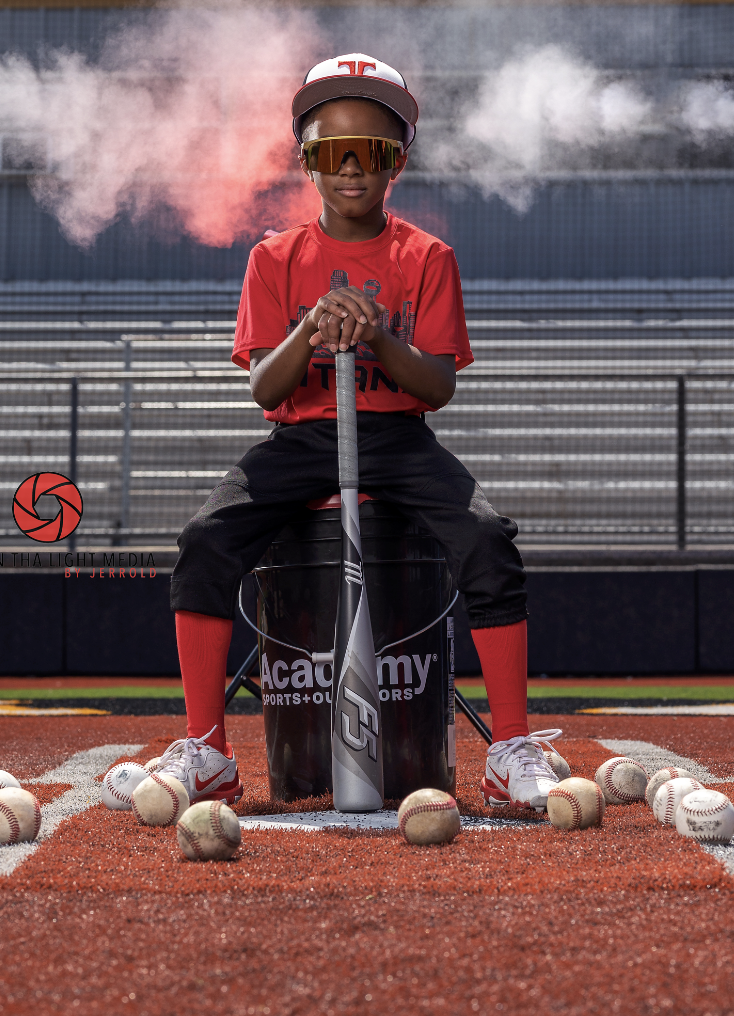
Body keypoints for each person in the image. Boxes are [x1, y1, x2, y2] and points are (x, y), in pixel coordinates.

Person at [154, 53, 561, 811]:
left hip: (397, 440)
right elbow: (262, 389)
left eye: (369, 151)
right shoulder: (274, 259)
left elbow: (435, 387)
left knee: (488, 540)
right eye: (330, 151)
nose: (350, 168)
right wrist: (311, 326)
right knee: (205, 539)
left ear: (397, 160)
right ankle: (207, 748)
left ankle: (508, 746)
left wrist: (378, 338)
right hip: (301, 439)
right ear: (306, 162)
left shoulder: (426, 257)